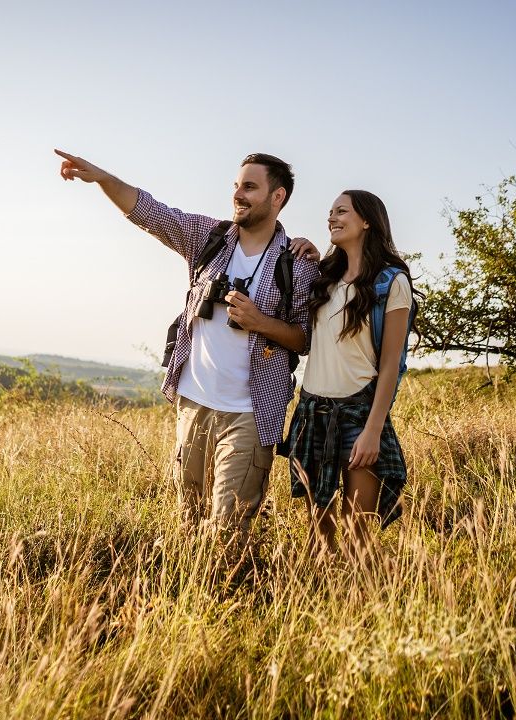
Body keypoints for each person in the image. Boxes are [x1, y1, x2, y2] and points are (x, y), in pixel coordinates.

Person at [55, 149, 319, 544]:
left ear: (277, 197)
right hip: (193, 403)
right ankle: (190, 598)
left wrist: (259, 322)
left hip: (249, 413)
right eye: (236, 185)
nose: (238, 195)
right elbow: (151, 213)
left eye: (250, 187)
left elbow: (304, 339)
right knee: (188, 522)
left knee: (229, 532)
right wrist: (103, 178)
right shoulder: (208, 238)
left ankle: (226, 596)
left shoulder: (297, 263)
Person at [281, 190, 418, 563]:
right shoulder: (324, 276)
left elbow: (392, 363)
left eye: (341, 212)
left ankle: (368, 606)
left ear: (367, 221)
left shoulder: (391, 282)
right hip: (313, 411)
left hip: (360, 413)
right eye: (330, 213)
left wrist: (374, 430)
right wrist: (306, 250)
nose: (332, 218)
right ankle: (328, 603)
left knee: (358, 529)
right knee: (317, 525)